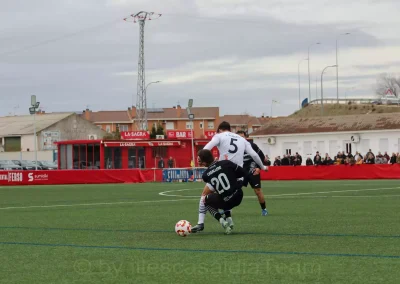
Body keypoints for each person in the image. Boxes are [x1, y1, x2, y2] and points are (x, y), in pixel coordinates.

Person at [191, 121, 268, 233]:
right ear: (230, 129)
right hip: (237, 175)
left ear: (220, 130)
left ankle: (200, 223)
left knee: (205, 196)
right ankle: (229, 221)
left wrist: (200, 157)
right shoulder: (242, 139)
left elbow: (207, 148)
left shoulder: (219, 136)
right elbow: (254, 155)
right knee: (227, 196)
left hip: (221, 170)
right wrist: (263, 167)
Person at [196, 149, 246, 235]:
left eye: (199, 160)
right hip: (239, 196)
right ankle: (229, 220)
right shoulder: (226, 163)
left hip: (226, 202)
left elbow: (215, 186)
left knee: (206, 199)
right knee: (224, 194)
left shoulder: (205, 175)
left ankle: (222, 221)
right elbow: (242, 173)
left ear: (204, 162)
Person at [237, 131, 268, 216]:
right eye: (239, 137)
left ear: (246, 137)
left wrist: (259, 168)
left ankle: (264, 209)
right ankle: (227, 210)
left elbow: (261, 156)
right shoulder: (235, 147)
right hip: (241, 171)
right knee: (234, 190)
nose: (241, 139)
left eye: (243, 137)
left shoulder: (252, 146)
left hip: (252, 170)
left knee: (257, 191)